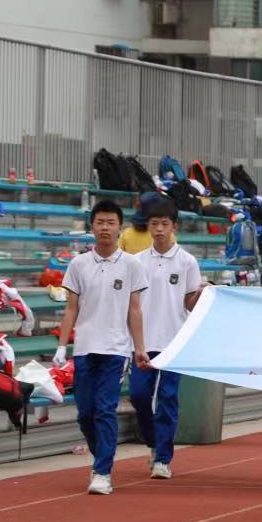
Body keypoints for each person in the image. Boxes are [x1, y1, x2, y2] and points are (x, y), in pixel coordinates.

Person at [56, 200, 151, 495]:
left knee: (105, 409)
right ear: (92, 227)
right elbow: (71, 308)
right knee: (85, 413)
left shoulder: (132, 265)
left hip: (116, 348)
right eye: (100, 222)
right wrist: (62, 346)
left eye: (111, 222)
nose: (105, 228)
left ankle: (102, 472)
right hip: (85, 346)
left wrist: (140, 347)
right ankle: (102, 457)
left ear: (120, 227)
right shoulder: (78, 264)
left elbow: (134, 309)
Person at [128, 198, 203, 480]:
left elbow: (190, 302)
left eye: (164, 224)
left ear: (174, 227)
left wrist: (205, 294)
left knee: (168, 398)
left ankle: (163, 458)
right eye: (154, 224)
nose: (159, 229)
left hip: (174, 341)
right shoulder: (136, 262)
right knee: (139, 395)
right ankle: (152, 441)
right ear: (147, 227)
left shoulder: (187, 262)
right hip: (143, 341)